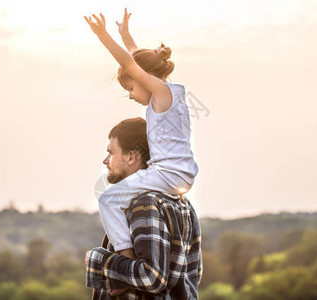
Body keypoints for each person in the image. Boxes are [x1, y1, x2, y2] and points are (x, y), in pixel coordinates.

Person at [83, 9, 199, 264]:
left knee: (109, 199)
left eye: (131, 87)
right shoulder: (171, 93)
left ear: (146, 80)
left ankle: (127, 259)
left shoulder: (160, 93)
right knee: (119, 198)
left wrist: (103, 36)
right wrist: (126, 34)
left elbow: (131, 64)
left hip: (168, 173)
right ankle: (130, 247)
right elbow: (140, 61)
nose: (131, 95)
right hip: (179, 172)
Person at [85, 117, 203, 299]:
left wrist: (98, 260)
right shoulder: (183, 204)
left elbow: (151, 278)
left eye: (111, 153)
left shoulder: (144, 204)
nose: (105, 160)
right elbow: (194, 273)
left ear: (131, 157)